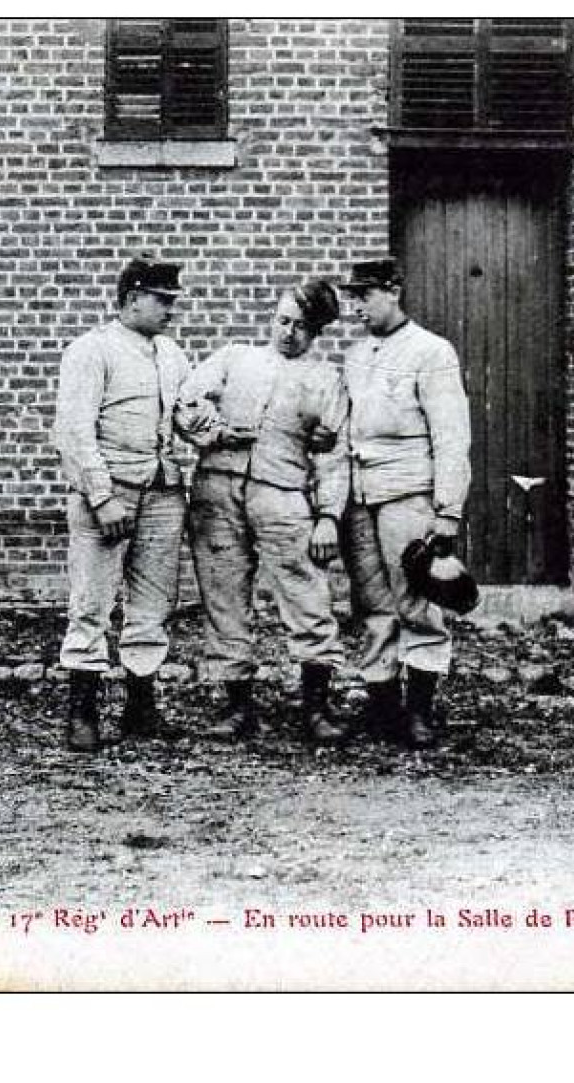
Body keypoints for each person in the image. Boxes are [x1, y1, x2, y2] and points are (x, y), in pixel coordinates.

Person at [175, 279, 350, 744]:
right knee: (223, 593)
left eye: (301, 327)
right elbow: (185, 400)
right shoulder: (237, 359)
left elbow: (334, 456)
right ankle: (236, 707)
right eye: (283, 321)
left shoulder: (325, 379)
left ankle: (316, 706)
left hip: (284, 493)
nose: (288, 333)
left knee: (306, 594)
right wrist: (211, 430)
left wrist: (329, 516)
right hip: (218, 489)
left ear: (317, 333)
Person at [53, 258, 190, 753]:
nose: (171, 311)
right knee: (91, 603)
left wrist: (221, 429)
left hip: (163, 492)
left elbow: (186, 417)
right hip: (109, 497)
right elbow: (73, 431)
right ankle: (82, 713)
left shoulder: (171, 354)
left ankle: (140, 707)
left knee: (153, 604)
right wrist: (102, 496)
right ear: (133, 297)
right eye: (163, 300)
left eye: (173, 301)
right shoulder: (91, 351)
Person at [338, 259, 471, 750]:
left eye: (366, 295)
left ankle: (419, 711)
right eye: (353, 297)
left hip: (409, 493)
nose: (357, 306)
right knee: (372, 604)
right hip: (360, 497)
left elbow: (452, 436)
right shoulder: (356, 355)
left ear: (393, 292)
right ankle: (382, 709)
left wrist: (447, 508)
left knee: (417, 601)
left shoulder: (431, 351)